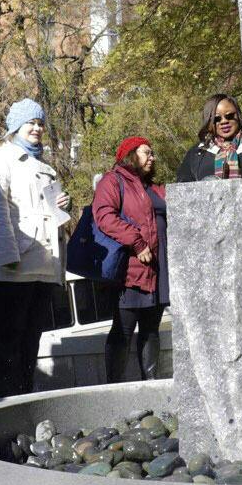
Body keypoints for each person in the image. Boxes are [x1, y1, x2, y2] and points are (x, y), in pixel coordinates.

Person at [0, 99, 72, 396]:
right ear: (15, 126)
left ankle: (25, 400)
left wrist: (63, 207)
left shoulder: (46, 167)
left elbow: (47, 216)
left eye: (41, 123)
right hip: (12, 266)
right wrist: (8, 256)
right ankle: (6, 404)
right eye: (30, 122)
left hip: (42, 266)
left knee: (30, 342)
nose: (37, 128)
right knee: (8, 340)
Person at [92, 137, 170, 380]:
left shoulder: (154, 187)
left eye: (152, 153)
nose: (152, 157)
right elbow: (104, 216)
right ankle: (115, 388)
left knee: (151, 330)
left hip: (157, 270)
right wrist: (137, 242)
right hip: (131, 271)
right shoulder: (113, 181)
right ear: (130, 155)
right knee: (123, 330)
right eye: (146, 152)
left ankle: (151, 385)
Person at [176, 94, 242, 182]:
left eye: (229, 116)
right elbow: (183, 187)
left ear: (238, 115)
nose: (224, 121)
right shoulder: (196, 154)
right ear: (209, 122)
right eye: (216, 119)